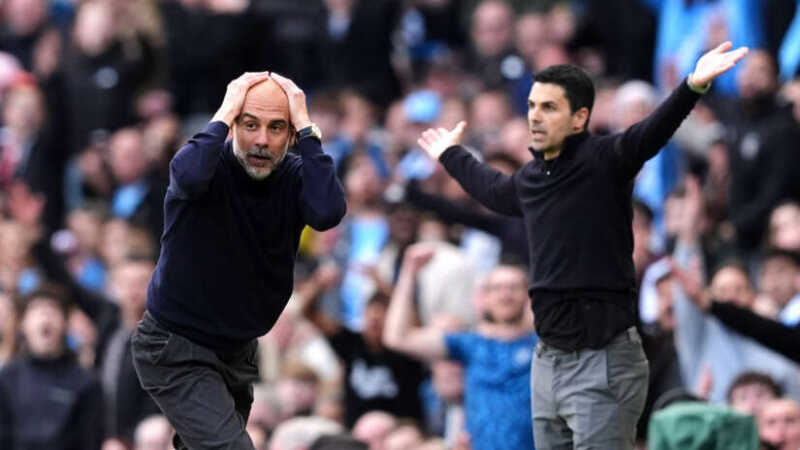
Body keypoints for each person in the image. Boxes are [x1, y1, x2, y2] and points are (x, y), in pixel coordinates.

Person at [416, 41, 748, 449]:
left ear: (579, 118)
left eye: (549, 107)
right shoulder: (531, 177)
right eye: (532, 106)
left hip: (602, 355)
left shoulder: (607, 159)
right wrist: (450, 154)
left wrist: (692, 86)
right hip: (547, 358)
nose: (535, 116)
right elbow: (494, 190)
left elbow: (651, 132)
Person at [131, 71, 346, 450]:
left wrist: (308, 129)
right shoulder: (206, 165)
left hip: (237, 350)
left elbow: (327, 211)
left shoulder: (295, 176)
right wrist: (226, 110)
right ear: (232, 126)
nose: (261, 140)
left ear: (291, 136)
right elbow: (187, 176)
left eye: (276, 127)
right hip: (176, 345)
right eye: (250, 124)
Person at [383, 243, 537, 450]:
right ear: (484, 297)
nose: (505, 295)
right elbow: (397, 338)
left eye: (514, 287)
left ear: (527, 295)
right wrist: (409, 271)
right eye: (497, 288)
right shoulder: (469, 344)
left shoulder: (542, 346)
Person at [0, 285, 105, 450]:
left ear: (66, 324)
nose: (45, 316)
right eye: (37, 310)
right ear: (22, 324)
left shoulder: (86, 382)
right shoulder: (7, 378)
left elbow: (90, 440)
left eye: (53, 310)